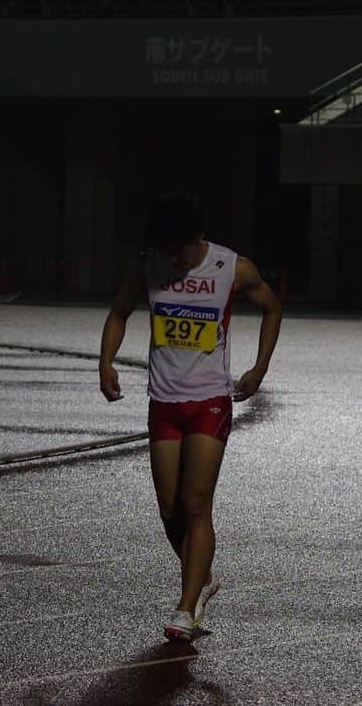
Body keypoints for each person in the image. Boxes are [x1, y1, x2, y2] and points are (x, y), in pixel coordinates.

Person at [99, 194, 282, 641]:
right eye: (166, 249)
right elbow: (119, 312)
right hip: (163, 401)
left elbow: (273, 309)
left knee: (196, 505)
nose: (173, 258)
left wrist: (259, 368)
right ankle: (202, 577)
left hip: (209, 401)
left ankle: (186, 607)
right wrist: (106, 361)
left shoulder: (232, 268)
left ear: (198, 238)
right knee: (169, 508)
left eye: (179, 248)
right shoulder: (149, 264)